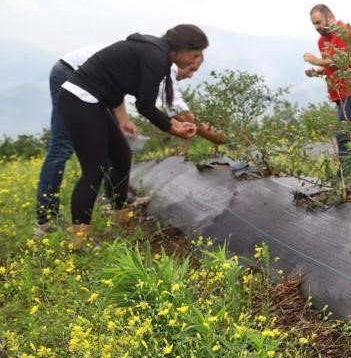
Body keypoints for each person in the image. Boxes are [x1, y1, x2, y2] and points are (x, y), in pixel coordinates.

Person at [35, 46, 222, 236]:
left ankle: (114, 204)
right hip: (70, 73)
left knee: (117, 152)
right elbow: (177, 110)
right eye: (191, 68)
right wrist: (218, 137)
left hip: (91, 83)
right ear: (182, 58)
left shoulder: (156, 61)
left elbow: (116, 88)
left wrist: (123, 120)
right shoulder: (167, 68)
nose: (190, 74)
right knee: (62, 147)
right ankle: (46, 221)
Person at [302, 4, 351, 170]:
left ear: (330, 17)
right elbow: (335, 66)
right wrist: (319, 71)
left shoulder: (347, 32)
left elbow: (344, 60)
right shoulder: (323, 41)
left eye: (319, 22)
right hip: (341, 94)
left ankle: (346, 178)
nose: (317, 27)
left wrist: (317, 61)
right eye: (314, 24)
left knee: (344, 134)